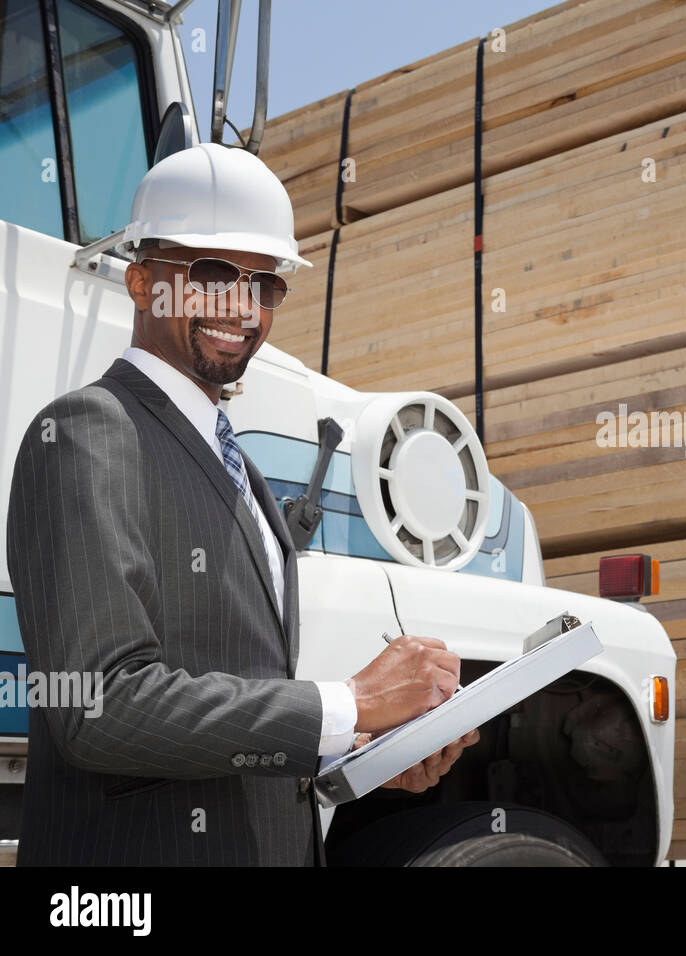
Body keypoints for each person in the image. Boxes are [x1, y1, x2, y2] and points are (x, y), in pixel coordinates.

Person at [4, 142, 475, 866]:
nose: (242, 307)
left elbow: (235, 701)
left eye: (264, 284)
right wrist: (349, 702)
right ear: (138, 283)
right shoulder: (88, 434)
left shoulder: (239, 468)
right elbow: (98, 706)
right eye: (212, 274)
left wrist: (359, 747)